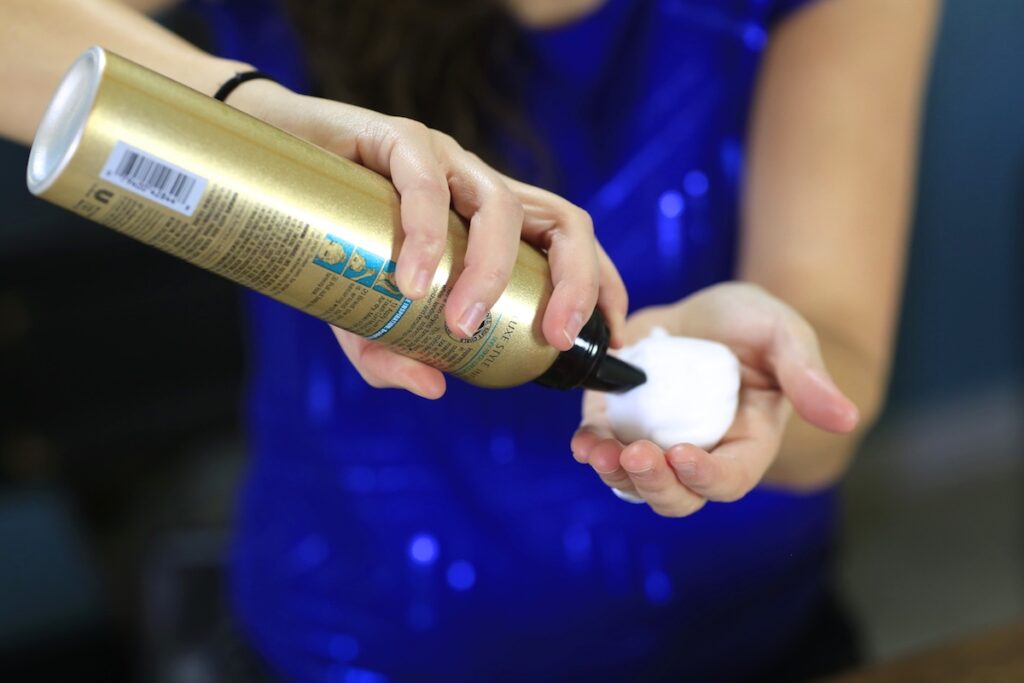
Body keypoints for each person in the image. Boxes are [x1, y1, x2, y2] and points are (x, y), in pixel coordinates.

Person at [0, 0, 938, 681]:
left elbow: (830, 389)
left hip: (735, 641)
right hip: (345, 639)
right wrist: (243, 114)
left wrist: (749, 393)